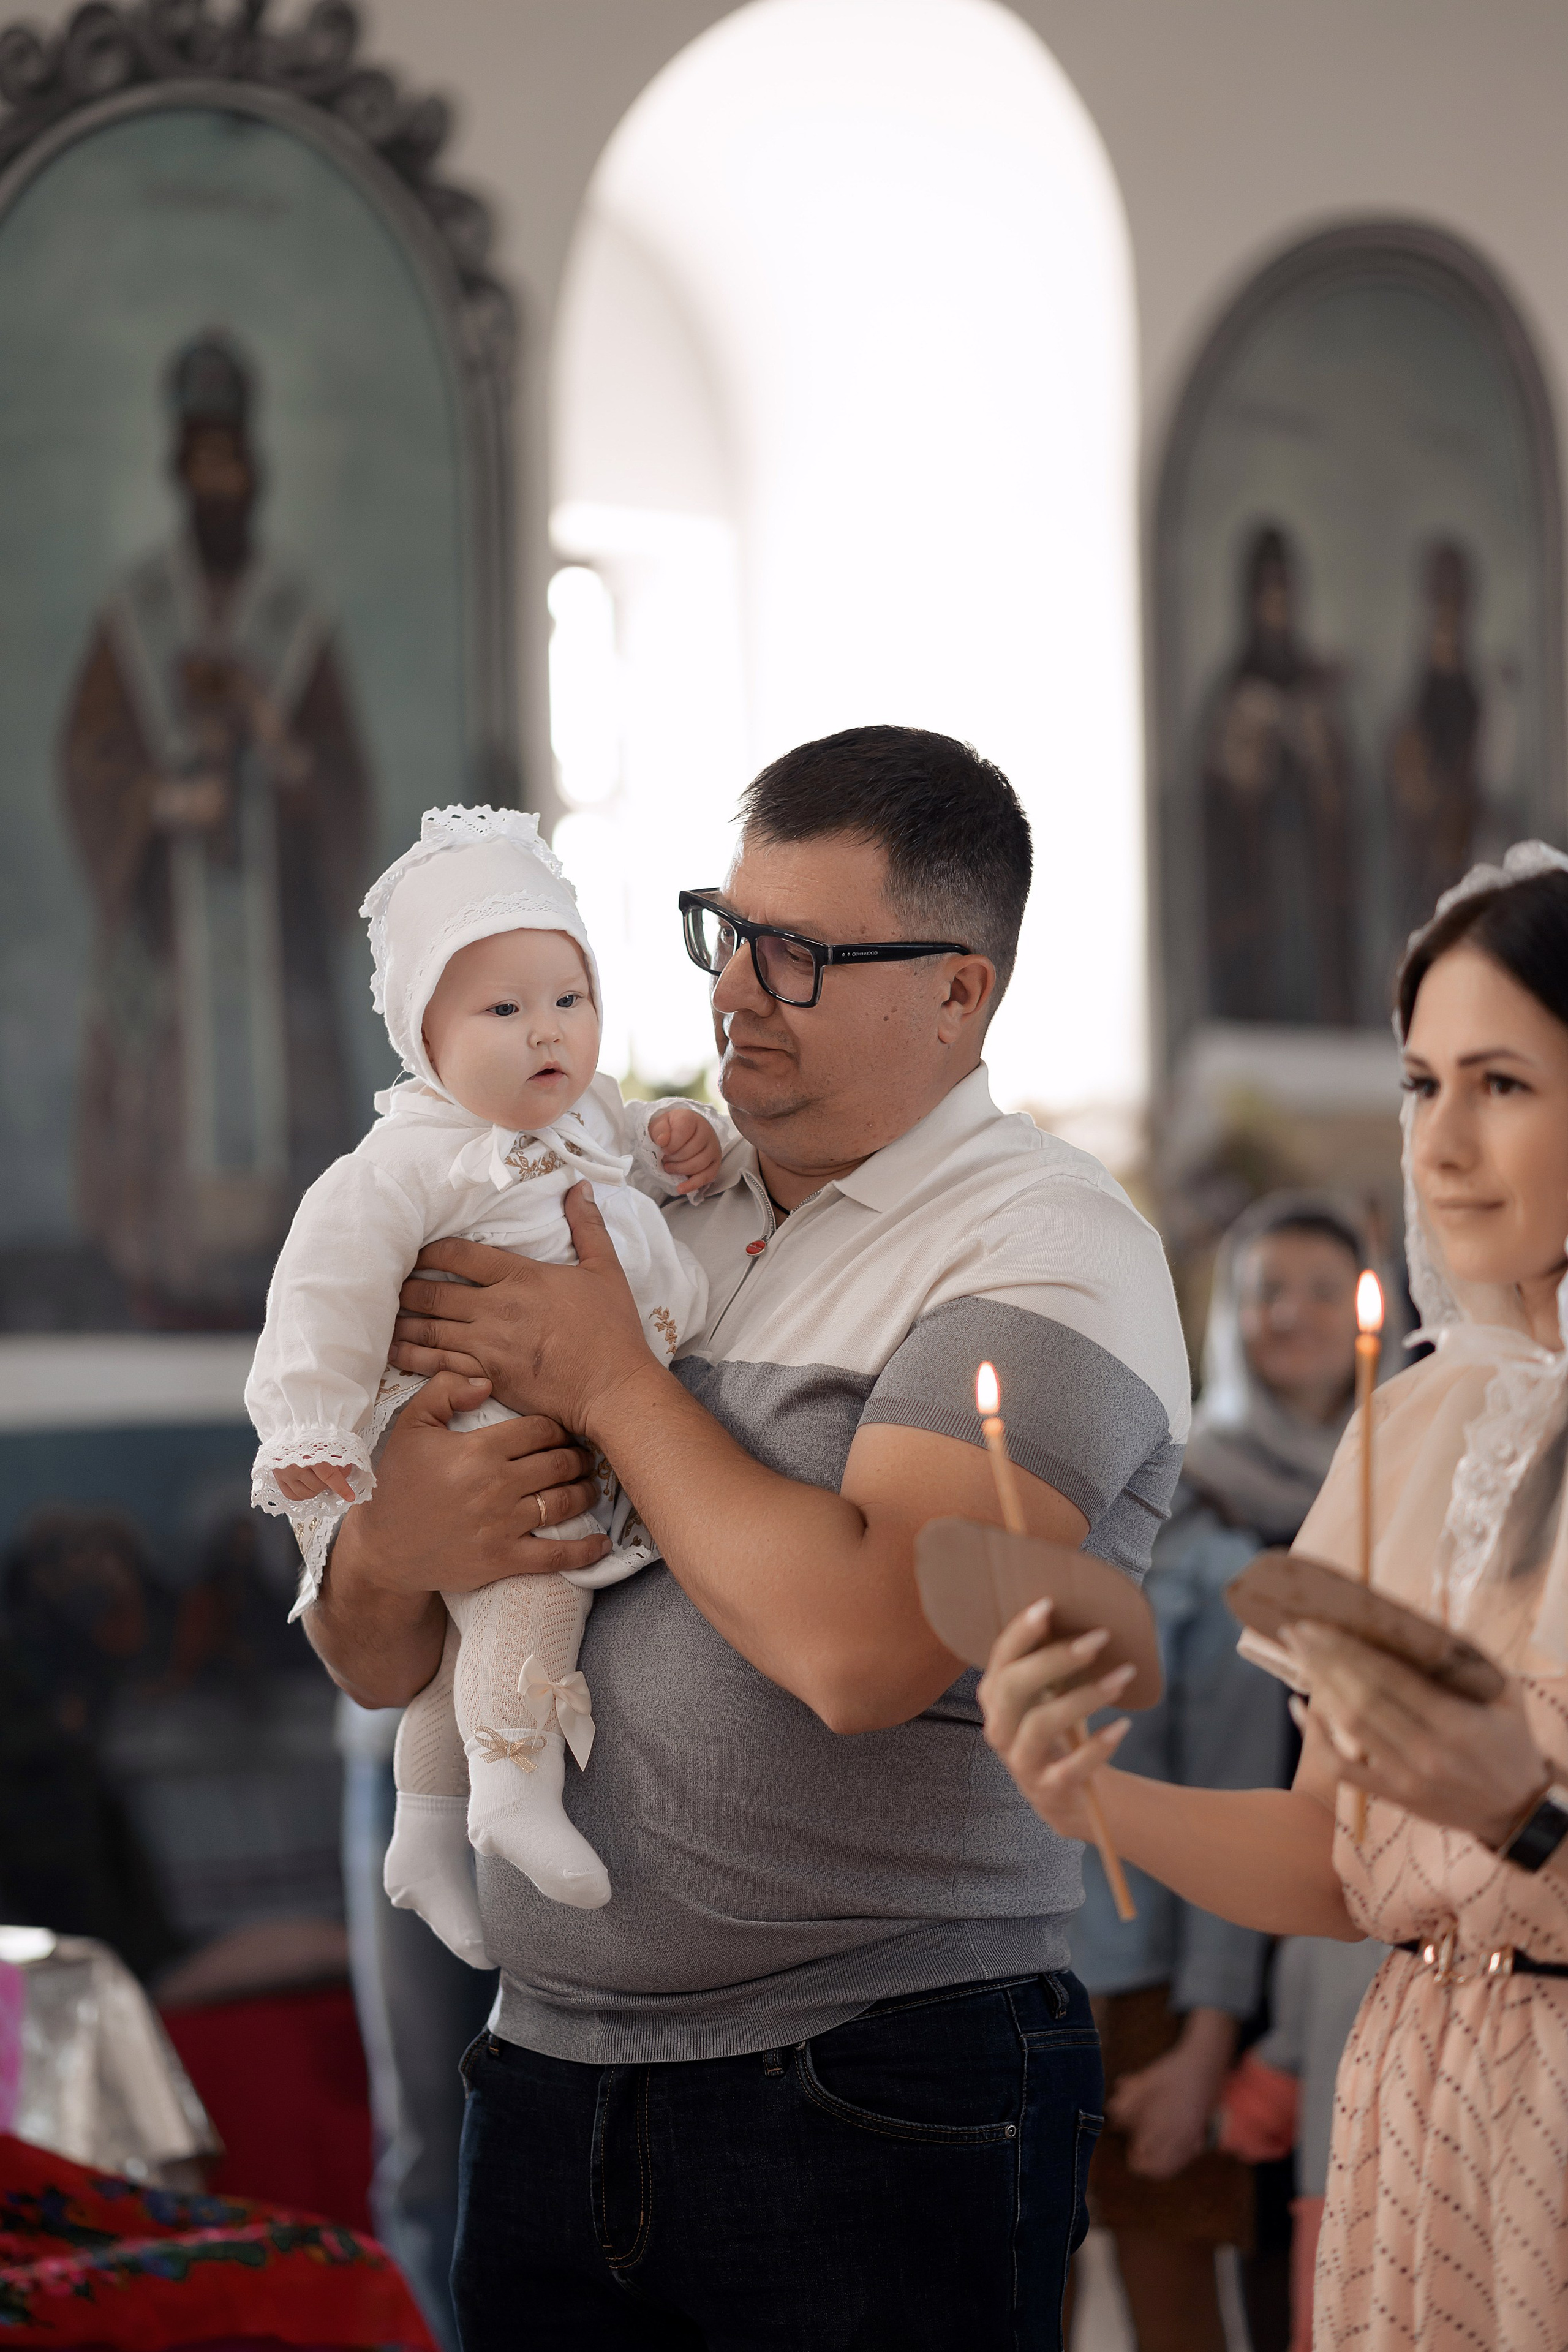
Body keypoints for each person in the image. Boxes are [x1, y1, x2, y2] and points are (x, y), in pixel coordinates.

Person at [301, 725, 1192, 2349]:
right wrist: (388, 1547)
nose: (734, 991)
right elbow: (371, 1659)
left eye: (803, 955)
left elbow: (862, 1648)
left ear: (960, 991)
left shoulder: (1051, 1244)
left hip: (874, 2078)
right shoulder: (625, 1189)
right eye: (728, 930)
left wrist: (611, 1379)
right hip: (550, 2061)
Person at [982, 839, 1568, 2350]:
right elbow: (1328, 1856)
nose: (1438, 1147)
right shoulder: (1415, 1425)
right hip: (1418, 2108)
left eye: (1498, 1084)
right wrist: (1094, 1803)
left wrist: (1535, 1816)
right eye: (1420, 1085)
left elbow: (1525, 1832)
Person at [247, 804, 723, 1947]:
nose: (546, 1031)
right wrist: (308, 1428)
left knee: (459, 1653)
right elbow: (321, 1291)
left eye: (570, 999)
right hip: (472, 1425)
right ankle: (511, 1793)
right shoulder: (406, 1161)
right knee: (536, 1582)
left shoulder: (592, 1116)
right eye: (503, 1009)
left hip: (571, 1402)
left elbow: (633, 1166)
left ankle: (423, 1826)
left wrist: (678, 1138)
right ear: (425, 1035)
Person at [1070, 1191, 1365, 2352]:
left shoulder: (1412, 1480)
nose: (1285, 1315)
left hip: (1310, 1959)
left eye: (1317, 1291)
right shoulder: (1181, 1504)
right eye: (1262, 1290)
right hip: (1190, 1927)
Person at [59, 331, 371, 1324]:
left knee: (292, 1083)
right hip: (176, 924)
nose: (218, 482)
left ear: (255, 472)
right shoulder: (139, 616)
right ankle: (172, 1279)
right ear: (179, 475)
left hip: (272, 924)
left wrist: (280, 750)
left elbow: (343, 775)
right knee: (168, 1079)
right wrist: (156, 801)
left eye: (232, 462)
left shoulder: (295, 619)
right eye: (201, 464)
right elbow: (89, 756)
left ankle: (289, 1290)